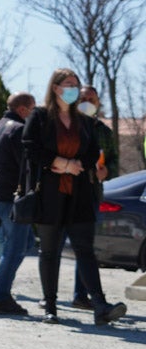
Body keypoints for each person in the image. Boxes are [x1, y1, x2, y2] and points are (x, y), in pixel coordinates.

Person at [23, 68, 126, 326]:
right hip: (50, 194)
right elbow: (30, 147)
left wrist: (75, 164)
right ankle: (50, 306)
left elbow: (93, 152)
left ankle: (100, 306)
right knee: (49, 252)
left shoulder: (85, 120)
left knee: (85, 250)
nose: (73, 89)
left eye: (75, 84)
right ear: (55, 87)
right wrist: (58, 162)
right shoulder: (40, 116)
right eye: (68, 84)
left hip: (80, 193)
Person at [0, 91, 35, 316]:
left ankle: (1, 294)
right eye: (33, 109)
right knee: (15, 250)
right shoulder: (18, 129)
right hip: (11, 198)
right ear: (23, 109)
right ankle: (0, 296)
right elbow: (26, 166)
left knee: (24, 244)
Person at [71, 84, 115, 310]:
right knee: (54, 247)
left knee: (85, 246)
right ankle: (49, 300)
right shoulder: (67, 126)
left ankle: (81, 295)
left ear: (98, 103)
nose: (88, 101)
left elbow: (113, 160)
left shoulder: (104, 132)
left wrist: (108, 171)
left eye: (92, 98)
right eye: (84, 98)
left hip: (93, 194)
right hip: (66, 193)